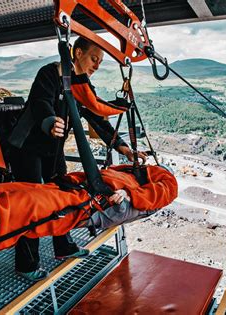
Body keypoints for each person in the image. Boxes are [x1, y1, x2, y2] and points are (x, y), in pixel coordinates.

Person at [9, 37, 147, 281]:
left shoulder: (82, 86)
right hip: (28, 148)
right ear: (78, 52)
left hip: (53, 151)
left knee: (64, 197)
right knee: (31, 204)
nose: (96, 65)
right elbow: (40, 102)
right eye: (94, 59)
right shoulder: (50, 73)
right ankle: (26, 263)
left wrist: (125, 149)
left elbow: (97, 118)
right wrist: (50, 122)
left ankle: (62, 246)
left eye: (100, 62)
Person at [0, 164, 178, 281]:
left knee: (32, 208)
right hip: (81, 192)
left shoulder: (162, 178)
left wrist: (131, 194)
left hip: (90, 201)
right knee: (22, 193)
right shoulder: (134, 172)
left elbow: (167, 191)